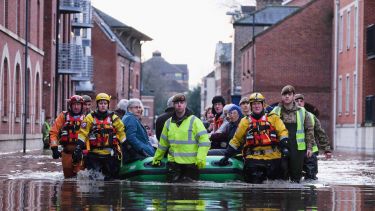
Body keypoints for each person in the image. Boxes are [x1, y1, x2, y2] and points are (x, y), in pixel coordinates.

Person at [218, 93, 289, 183]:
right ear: (251, 106)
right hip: (253, 158)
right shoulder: (245, 121)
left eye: (259, 103)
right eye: (254, 104)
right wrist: (226, 155)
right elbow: (236, 140)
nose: (256, 106)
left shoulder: (273, 118)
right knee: (253, 189)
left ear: (263, 104)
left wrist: (284, 144)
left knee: (276, 186)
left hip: (273, 157)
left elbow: (282, 131)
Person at [152, 93, 210, 182]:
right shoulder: (168, 123)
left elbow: (204, 141)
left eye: (181, 102)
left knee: (190, 193)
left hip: (190, 164)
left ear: (185, 104)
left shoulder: (195, 121)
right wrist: (157, 158)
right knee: (172, 192)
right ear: (173, 105)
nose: (179, 104)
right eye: (177, 102)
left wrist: (201, 157)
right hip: (174, 164)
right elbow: (163, 144)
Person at [75, 93, 126, 180]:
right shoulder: (90, 117)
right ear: (97, 104)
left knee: (111, 179)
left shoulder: (114, 118)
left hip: (110, 154)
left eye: (105, 104)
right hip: (94, 154)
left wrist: (125, 145)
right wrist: (78, 147)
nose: (103, 106)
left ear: (108, 105)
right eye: (101, 103)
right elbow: (83, 133)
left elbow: (121, 132)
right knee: (93, 179)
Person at [270, 85, 315, 183]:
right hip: (280, 147)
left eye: (289, 94)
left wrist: (309, 147)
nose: (287, 97)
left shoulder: (302, 111)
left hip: (298, 149)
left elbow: (309, 130)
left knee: (296, 177)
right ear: (281, 96)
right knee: (281, 176)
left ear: (293, 96)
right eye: (284, 94)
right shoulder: (275, 111)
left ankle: (295, 197)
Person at [295, 93, 332, 180]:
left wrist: (327, 149)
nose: (299, 103)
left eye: (301, 101)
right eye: (296, 101)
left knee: (311, 177)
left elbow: (320, 133)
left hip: (311, 151)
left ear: (304, 103)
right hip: (296, 151)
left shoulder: (311, 116)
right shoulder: (289, 116)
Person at [49, 95, 85, 178]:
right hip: (67, 151)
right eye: (74, 104)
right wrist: (54, 148)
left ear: (82, 106)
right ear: (70, 105)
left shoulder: (87, 118)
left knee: (80, 179)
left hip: (81, 152)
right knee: (68, 178)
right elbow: (53, 132)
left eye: (78, 104)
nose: (76, 107)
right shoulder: (63, 116)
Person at [122, 98, 155, 163]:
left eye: (140, 107)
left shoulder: (129, 117)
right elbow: (131, 137)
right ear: (129, 109)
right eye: (136, 107)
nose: (139, 109)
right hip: (139, 153)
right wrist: (142, 149)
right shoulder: (130, 118)